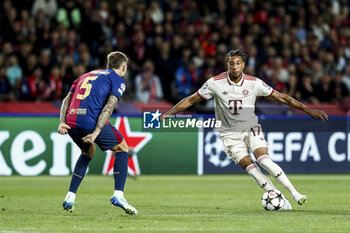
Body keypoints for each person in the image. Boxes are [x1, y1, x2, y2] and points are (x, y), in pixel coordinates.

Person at [161, 49, 328, 210]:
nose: (234, 67)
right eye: (231, 63)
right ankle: (277, 195)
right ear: (227, 65)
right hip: (229, 134)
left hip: (250, 127)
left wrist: (308, 110)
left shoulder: (254, 83)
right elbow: (191, 100)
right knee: (251, 168)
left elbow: (281, 97)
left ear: (243, 65)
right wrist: (168, 114)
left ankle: (295, 193)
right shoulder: (214, 83)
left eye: (238, 63)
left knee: (264, 160)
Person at [57, 51, 138, 215]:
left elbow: (67, 99)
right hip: (89, 120)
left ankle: (70, 197)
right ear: (123, 67)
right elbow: (109, 107)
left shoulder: (86, 75)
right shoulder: (117, 80)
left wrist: (62, 122)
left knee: (88, 152)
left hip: (71, 120)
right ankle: (118, 195)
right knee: (122, 149)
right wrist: (96, 132)